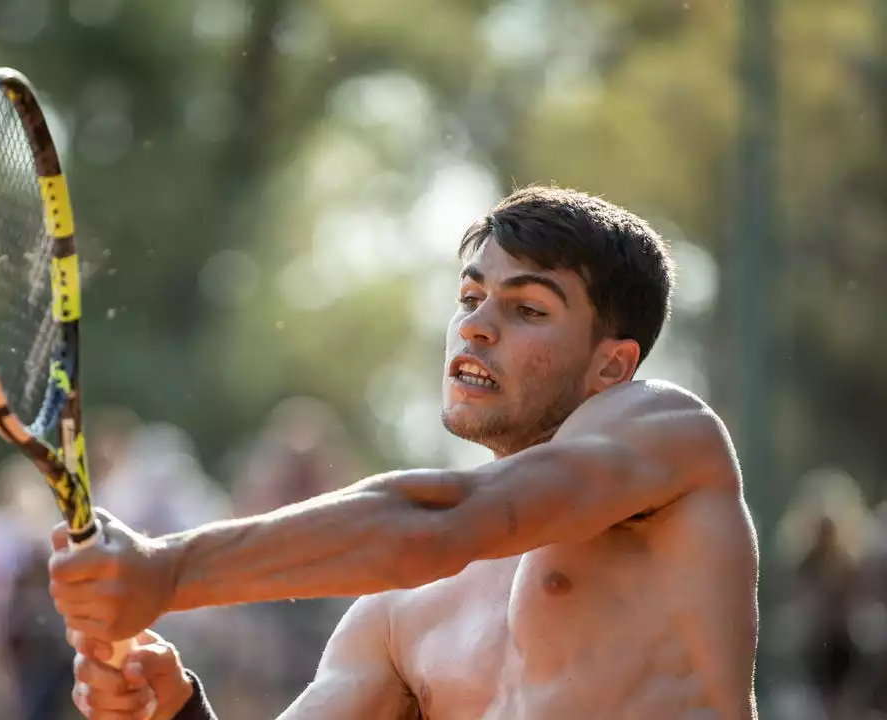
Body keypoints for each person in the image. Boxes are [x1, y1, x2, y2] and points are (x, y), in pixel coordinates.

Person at [49, 185, 761, 719]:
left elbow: (435, 524)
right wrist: (169, 708)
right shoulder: (402, 609)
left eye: (528, 309)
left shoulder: (671, 433)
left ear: (612, 366)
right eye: (470, 296)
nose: (478, 326)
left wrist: (166, 569)